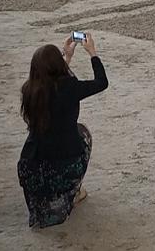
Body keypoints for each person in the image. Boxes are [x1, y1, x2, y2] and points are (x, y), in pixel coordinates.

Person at [18, 34, 108, 228]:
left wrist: (67, 57)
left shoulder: (28, 90)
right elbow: (101, 82)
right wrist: (92, 53)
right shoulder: (70, 87)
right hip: (62, 164)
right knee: (83, 133)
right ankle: (72, 191)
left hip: (31, 166)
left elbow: (51, 84)